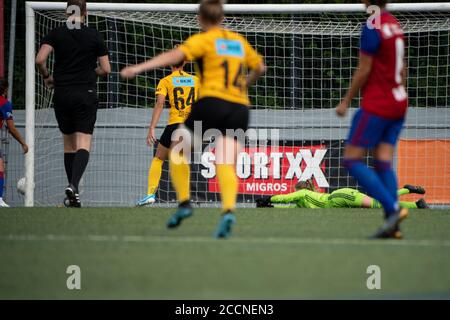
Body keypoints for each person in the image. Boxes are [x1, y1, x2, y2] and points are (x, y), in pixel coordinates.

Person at [121, 0, 265, 238]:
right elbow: (260, 67)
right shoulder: (237, 41)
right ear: (221, 17)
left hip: (211, 104)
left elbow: (173, 56)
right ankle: (228, 211)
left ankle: (185, 203)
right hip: (240, 108)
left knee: (177, 152)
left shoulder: (203, 40)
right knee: (225, 163)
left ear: (200, 18)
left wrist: (138, 68)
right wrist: (243, 86)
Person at [335, 0, 409, 239]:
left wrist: (346, 100)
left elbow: (364, 68)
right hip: (399, 100)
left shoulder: (373, 24)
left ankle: (393, 208)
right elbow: (403, 67)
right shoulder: (393, 24)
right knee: (383, 160)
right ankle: (392, 226)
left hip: (378, 103)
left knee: (351, 159)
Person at [35, 0, 111, 207]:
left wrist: (47, 77)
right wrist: (90, 72)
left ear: (67, 12)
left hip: (62, 93)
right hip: (85, 93)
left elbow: (39, 59)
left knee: (69, 145)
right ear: (85, 12)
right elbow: (106, 69)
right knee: (84, 143)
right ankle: (74, 186)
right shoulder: (93, 35)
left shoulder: (57, 33)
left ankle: (73, 196)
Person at [136, 58, 199, 206]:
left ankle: (150, 194)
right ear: (185, 63)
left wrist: (152, 127)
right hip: (191, 126)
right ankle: (185, 197)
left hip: (174, 125)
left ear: (170, 63)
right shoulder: (196, 80)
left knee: (158, 158)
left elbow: (160, 103)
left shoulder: (166, 81)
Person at [256, 179, 429, 213]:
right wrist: (271, 206)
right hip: (339, 198)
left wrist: (268, 199)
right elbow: (291, 207)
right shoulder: (303, 203)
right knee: (382, 205)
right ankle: (416, 205)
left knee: (378, 204)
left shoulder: (303, 193)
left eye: (296, 190)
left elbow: (286, 198)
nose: (294, 194)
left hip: (340, 198)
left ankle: (406, 190)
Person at [0, 79, 29, 207]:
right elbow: (11, 128)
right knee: (0, 167)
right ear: (5, 90)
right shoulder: (4, 103)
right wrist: (23, 142)